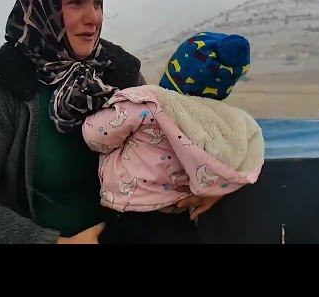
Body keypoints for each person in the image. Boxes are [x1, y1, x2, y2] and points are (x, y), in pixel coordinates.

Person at [0, 0, 221, 244]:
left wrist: (211, 182)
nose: (93, 18)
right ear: (42, 6)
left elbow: (161, 146)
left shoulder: (120, 73)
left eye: (98, 3)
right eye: (76, 3)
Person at [82, 31, 266, 244]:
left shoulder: (148, 104)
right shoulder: (218, 123)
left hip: (132, 215)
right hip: (178, 218)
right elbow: (238, 159)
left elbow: (95, 136)